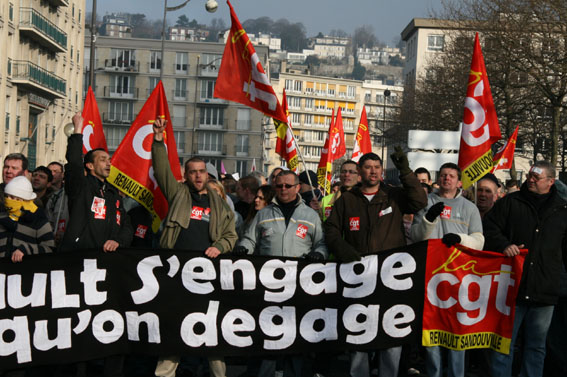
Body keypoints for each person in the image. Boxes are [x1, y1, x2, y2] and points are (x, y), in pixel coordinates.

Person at [324, 148, 427, 377]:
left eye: (377, 167)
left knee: (390, 331)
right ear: (360, 172)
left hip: (390, 278)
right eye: (368, 167)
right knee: (358, 330)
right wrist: (342, 249)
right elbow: (330, 229)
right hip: (358, 278)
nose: (373, 171)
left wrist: (404, 170)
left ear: (382, 171)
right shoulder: (348, 200)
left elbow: (419, 201)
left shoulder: (394, 195)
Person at [152, 118, 237, 377]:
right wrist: (158, 140)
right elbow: (161, 168)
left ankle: (219, 374)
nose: (198, 175)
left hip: (207, 275)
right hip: (177, 273)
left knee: (211, 329)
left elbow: (231, 235)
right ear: (186, 175)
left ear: (207, 174)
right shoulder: (177, 194)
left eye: (202, 171)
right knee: (173, 327)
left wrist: (219, 247)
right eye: (193, 171)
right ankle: (165, 373)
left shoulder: (220, 204)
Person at [60, 112, 133, 377]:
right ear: (89, 166)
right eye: (102, 159)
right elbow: (72, 163)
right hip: (81, 263)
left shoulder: (113, 195)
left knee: (107, 319)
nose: (108, 163)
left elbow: (126, 227)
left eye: (109, 159)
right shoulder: (80, 187)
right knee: (81, 320)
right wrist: (77, 133)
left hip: (108, 267)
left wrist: (118, 240)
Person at [234, 170, 327, 376]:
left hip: (299, 286)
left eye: (287, 185)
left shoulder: (310, 215)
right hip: (269, 285)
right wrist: (244, 248)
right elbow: (249, 239)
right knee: (268, 334)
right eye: (279, 186)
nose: (283, 189)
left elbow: (321, 243)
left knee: (295, 336)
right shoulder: (263, 214)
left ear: (297, 187)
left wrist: (319, 254)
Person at [484, 161, 567, 377]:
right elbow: (489, 228)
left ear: (550, 182)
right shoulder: (511, 202)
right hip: (512, 287)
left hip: (545, 289)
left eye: (536, 177)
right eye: (530, 175)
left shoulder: (562, 210)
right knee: (504, 345)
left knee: (536, 346)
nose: (530, 179)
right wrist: (503, 244)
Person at [411, 162, 484, 377]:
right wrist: (429, 220)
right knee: (432, 333)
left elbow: (479, 241)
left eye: (451, 176)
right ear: (437, 178)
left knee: (457, 332)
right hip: (430, 277)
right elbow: (416, 236)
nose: (447, 179)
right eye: (443, 175)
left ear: (459, 182)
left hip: (459, 279)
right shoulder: (426, 202)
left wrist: (461, 239)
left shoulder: (470, 208)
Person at [0, 176, 54, 261]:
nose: (8, 200)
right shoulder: (2, 215)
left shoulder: (38, 220)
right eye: (6, 196)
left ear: (24, 200)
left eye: (13, 198)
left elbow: (49, 248)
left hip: (25, 271)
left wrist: (26, 249)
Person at [46, 162, 69, 244]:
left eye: (55, 171)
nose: (52, 174)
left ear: (62, 175)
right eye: (49, 171)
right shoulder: (54, 197)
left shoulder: (65, 194)